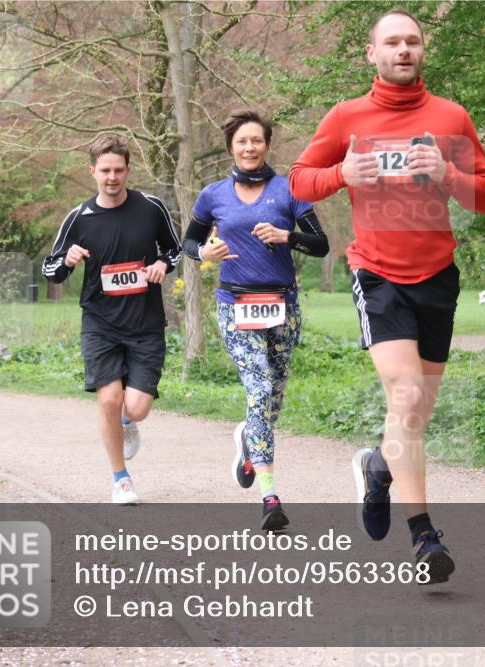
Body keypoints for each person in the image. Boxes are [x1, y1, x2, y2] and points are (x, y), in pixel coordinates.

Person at [290, 9, 485, 583]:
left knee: (414, 415)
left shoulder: (451, 117)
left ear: (423, 50)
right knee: (405, 396)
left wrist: (449, 176)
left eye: (412, 41)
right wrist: (342, 175)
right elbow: (299, 179)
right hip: (377, 273)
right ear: (372, 53)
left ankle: (378, 466)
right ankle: (424, 536)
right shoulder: (347, 117)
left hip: (437, 276)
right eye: (392, 42)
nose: (402, 50)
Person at [183, 108, 328, 531]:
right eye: (242, 142)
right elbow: (189, 241)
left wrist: (289, 237)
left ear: (267, 145)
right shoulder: (213, 195)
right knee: (260, 387)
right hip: (236, 305)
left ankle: (250, 442)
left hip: (283, 306)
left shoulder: (289, 190)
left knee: (272, 399)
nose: (250, 148)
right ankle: (270, 495)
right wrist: (202, 254)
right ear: (231, 146)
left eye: (257, 141)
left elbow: (320, 245)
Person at [41, 135, 182, 504]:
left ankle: (126, 423)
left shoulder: (151, 208)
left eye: (119, 170)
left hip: (146, 323)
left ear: (128, 170)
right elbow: (49, 269)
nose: (112, 177)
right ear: (92, 172)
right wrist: (67, 261)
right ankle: (120, 478)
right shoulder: (79, 217)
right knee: (108, 398)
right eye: (105, 170)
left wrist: (162, 265)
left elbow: (175, 251)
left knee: (135, 408)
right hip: (100, 323)